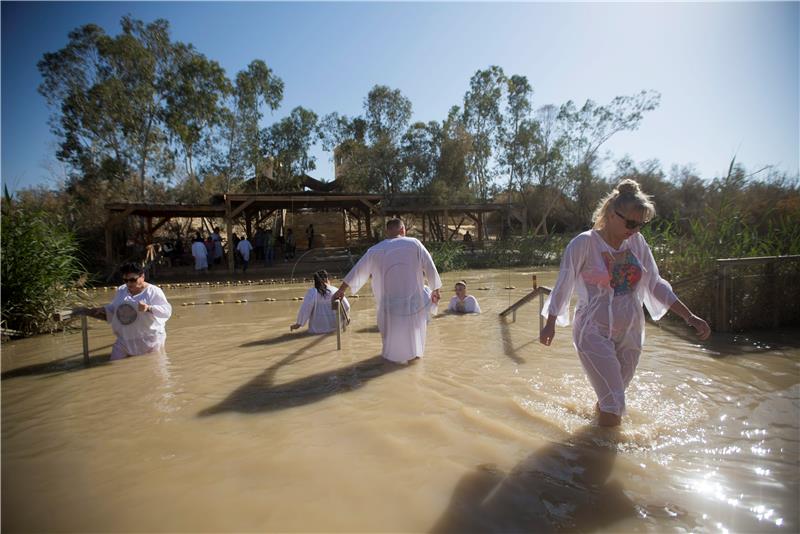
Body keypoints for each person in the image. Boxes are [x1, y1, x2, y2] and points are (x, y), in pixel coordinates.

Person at [539, 179, 711, 427]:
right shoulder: (584, 244)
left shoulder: (637, 243)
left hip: (631, 332)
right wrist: (551, 322)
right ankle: (604, 457)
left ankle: (594, 434)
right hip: (593, 331)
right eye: (631, 223)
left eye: (641, 224)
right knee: (615, 403)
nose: (635, 229)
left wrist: (688, 315)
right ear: (610, 213)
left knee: (612, 395)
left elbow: (655, 283)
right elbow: (563, 283)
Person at [332, 218, 442, 364]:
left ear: (386, 232)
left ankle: (391, 361)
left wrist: (341, 290)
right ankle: (413, 363)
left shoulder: (375, 249)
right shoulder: (414, 244)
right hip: (413, 301)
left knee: (391, 336)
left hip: (389, 303)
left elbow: (357, 271)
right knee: (414, 334)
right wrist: (436, 290)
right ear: (403, 230)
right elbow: (430, 267)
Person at [75, 263, 172, 360]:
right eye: (125, 280)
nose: (129, 283)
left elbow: (166, 311)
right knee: (115, 366)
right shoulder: (122, 290)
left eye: (132, 280)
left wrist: (149, 308)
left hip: (150, 339)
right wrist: (103, 309)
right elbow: (114, 307)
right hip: (125, 339)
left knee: (152, 367)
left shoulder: (153, 291)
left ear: (142, 276)